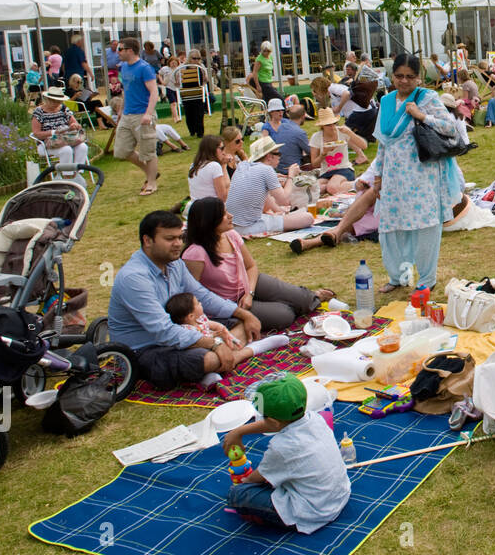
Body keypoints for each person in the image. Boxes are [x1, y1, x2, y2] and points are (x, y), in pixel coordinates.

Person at [107, 210, 262, 389]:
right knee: (208, 358)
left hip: (181, 329)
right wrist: (215, 344)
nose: (178, 244)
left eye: (180, 237)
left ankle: (222, 359)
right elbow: (163, 332)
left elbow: (203, 296)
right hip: (145, 349)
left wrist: (243, 314)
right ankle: (241, 353)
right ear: (147, 240)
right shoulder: (134, 278)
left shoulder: (174, 264)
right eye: (170, 239)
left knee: (241, 324)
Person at [360, 53, 461, 293]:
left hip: (422, 173)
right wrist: (378, 176)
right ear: (392, 76)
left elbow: (450, 128)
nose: (404, 81)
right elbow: (383, 143)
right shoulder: (385, 101)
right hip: (394, 174)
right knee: (391, 228)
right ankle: (398, 276)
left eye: (410, 77)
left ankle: (426, 279)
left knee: (424, 226)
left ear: (419, 78)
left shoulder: (428, 98)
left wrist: (422, 116)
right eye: (399, 76)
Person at [220, 375, 350, 532]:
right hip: (339, 496)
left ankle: (261, 516)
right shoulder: (314, 418)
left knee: (238, 494)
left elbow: (254, 479)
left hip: (314, 512)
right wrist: (239, 431)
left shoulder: (282, 447)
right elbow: (275, 424)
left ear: (274, 421)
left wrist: (243, 479)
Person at [183, 196, 332, 331]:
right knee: (284, 315)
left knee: (304, 299)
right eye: (223, 214)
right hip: (231, 302)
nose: (230, 216)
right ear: (210, 221)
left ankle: (306, 300)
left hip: (250, 284)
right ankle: (292, 306)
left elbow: (251, 266)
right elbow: (193, 293)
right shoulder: (196, 253)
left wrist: (249, 293)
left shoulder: (231, 235)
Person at [226, 136, 315, 237]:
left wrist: (280, 211)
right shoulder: (266, 170)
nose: (280, 157)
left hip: (232, 224)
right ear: (269, 156)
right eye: (278, 154)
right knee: (308, 218)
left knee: (294, 214)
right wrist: (291, 176)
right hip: (248, 226)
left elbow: (265, 200)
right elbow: (284, 201)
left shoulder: (243, 167)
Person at [114, 37, 160, 197]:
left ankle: (152, 183)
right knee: (121, 151)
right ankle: (151, 173)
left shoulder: (145, 68)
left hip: (143, 114)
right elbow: (126, 90)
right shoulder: (124, 67)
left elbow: (154, 92)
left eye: (120, 49)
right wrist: (121, 109)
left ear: (130, 50)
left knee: (148, 151)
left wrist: (148, 114)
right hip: (127, 115)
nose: (117, 52)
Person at [30, 86, 90, 171]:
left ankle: (77, 174)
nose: (57, 104)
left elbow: (74, 123)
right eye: (54, 101)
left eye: (59, 101)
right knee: (66, 150)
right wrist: (53, 132)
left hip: (67, 139)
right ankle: (67, 176)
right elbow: (36, 133)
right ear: (47, 99)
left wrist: (74, 126)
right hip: (47, 143)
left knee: (83, 147)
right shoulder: (38, 112)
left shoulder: (63, 109)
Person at [309, 107, 368, 190]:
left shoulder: (342, 132)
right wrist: (323, 154)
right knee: (314, 189)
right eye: (328, 124)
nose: (332, 127)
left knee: (332, 187)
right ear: (322, 126)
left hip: (344, 168)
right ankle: (349, 185)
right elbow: (314, 164)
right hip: (326, 171)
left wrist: (350, 133)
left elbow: (364, 146)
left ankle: (361, 183)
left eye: (334, 123)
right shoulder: (316, 137)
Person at [263, 99, 311, 174]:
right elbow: (311, 152)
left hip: (279, 167)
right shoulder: (299, 133)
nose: (280, 113)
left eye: (281, 110)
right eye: (278, 110)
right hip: (292, 170)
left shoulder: (282, 126)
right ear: (303, 116)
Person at [188, 136, 231, 202]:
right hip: (212, 208)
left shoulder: (193, 165)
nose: (224, 152)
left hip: (195, 207)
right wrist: (224, 165)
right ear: (212, 149)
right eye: (222, 148)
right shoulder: (214, 166)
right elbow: (223, 197)